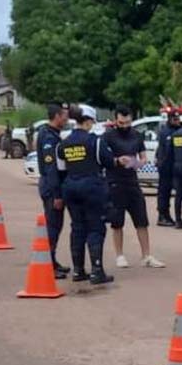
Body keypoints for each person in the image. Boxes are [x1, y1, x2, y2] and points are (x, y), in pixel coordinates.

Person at [57, 104, 117, 285]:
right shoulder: (95, 141)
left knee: (77, 227)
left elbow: (61, 169)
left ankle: (78, 270)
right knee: (95, 227)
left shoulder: (63, 143)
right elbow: (108, 162)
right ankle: (97, 271)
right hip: (91, 187)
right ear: (88, 121)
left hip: (70, 187)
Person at [102, 104, 166, 269]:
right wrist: (117, 160)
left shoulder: (137, 135)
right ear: (116, 120)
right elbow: (103, 158)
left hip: (132, 181)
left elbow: (143, 158)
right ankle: (120, 255)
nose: (125, 126)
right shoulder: (108, 136)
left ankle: (146, 255)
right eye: (121, 123)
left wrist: (136, 163)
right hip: (115, 182)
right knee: (117, 221)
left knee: (141, 220)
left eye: (128, 123)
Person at [36, 103, 71, 279]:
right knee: (53, 226)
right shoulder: (49, 137)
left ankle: (52, 260)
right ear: (57, 116)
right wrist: (57, 194)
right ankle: (48, 263)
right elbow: (51, 168)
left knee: (57, 226)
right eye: (64, 115)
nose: (66, 119)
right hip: (51, 187)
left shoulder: (52, 134)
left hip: (53, 185)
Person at [155, 110, 182, 226]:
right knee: (164, 192)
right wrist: (161, 163)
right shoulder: (166, 132)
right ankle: (162, 215)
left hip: (174, 166)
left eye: (178, 119)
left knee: (175, 192)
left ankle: (170, 216)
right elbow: (165, 151)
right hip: (166, 166)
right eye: (175, 119)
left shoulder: (178, 130)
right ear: (170, 119)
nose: (177, 121)